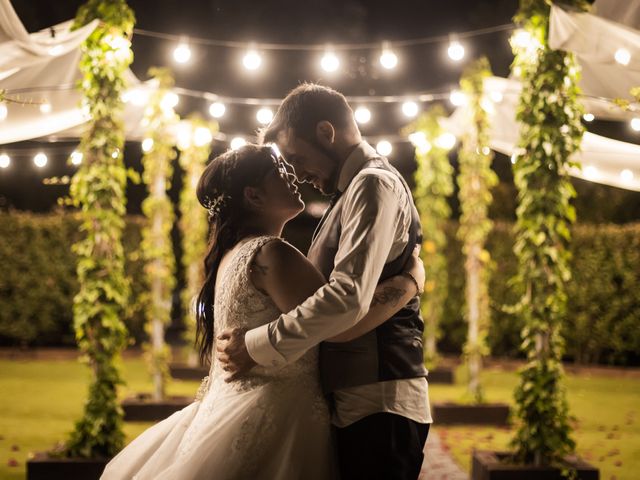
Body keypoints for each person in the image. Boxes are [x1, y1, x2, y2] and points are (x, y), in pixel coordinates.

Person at [100, 143, 425, 480]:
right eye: (280, 171)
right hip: (280, 418)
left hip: (235, 410)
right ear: (254, 196)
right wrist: (410, 282)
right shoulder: (273, 254)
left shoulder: (232, 255)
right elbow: (341, 321)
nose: (293, 175)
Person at [218, 83, 433, 480]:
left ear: (326, 133)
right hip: (356, 400)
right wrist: (409, 284)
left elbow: (345, 300)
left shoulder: (373, 184)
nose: (297, 174)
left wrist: (255, 345)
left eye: (297, 158)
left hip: (379, 398)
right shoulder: (350, 191)